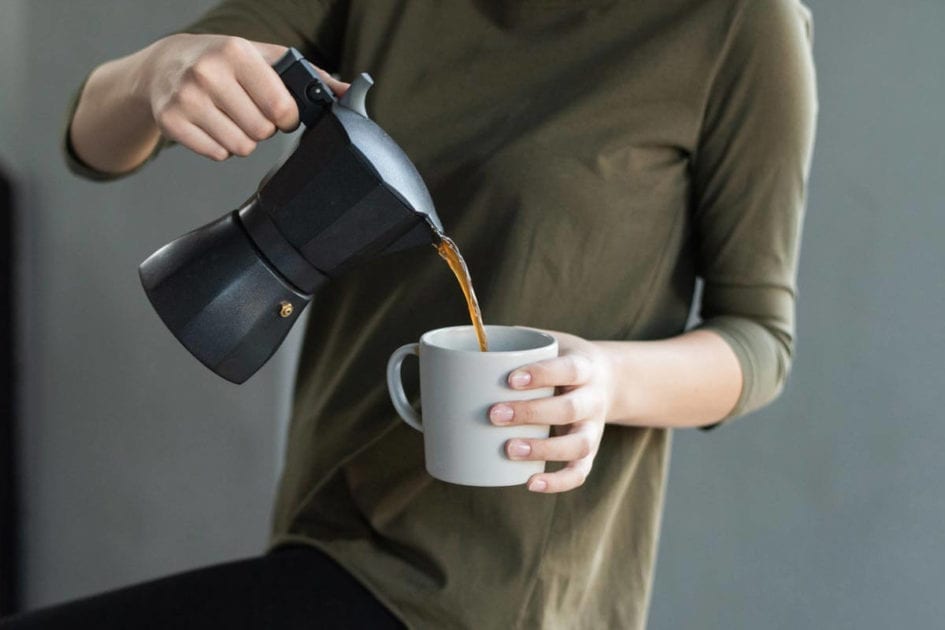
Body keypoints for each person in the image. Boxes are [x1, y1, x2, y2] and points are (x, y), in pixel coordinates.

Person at [2, 0, 817, 628]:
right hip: (322, 528)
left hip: (496, 587)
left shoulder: (739, 23)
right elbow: (97, 142)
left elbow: (759, 339)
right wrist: (157, 71)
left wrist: (603, 381)